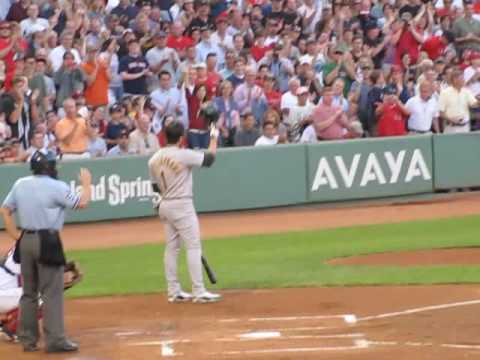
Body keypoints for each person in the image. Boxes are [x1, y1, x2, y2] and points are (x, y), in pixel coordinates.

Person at [0, 151, 91, 353]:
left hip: (26, 240)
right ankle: (56, 341)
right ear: (49, 167)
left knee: (29, 293)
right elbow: (82, 203)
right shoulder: (57, 186)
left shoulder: (20, 184)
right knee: (52, 292)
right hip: (47, 241)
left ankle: (28, 340)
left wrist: (16, 235)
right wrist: (86, 184)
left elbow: (5, 210)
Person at [148, 120, 221, 303]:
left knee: (172, 248)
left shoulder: (154, 159)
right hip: (182, 204)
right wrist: (213, 136)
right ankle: (198, 290)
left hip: (165, 204)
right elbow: (210, 159)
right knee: (194, 246)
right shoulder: (184, 155)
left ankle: (174, 291)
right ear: (181, 138)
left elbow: (155, 187)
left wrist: (160, 204)